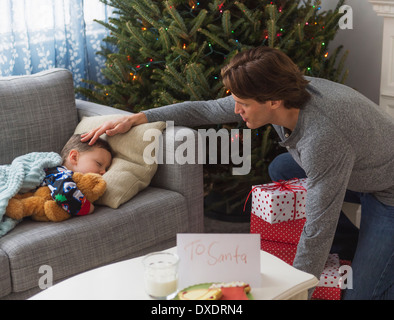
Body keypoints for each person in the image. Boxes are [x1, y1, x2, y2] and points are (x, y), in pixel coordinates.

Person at [81, 47, 394, 299]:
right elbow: (203, 110)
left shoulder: (322, 138)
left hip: (388, 190)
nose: (235, 110)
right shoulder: (282, 91)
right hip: (359, 165)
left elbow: (317, 228)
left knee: (362, 293)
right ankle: (356, 244)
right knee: (281, 168)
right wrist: (140, 118)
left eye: (242, 103)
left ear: (273, 102)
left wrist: (298, 293)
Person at [43, 134, 112, 217]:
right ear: (74, 157)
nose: (104, 172)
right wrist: (86, 207)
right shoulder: (57, 171)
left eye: (106, 169)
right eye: (99, 164)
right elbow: (64, 193)